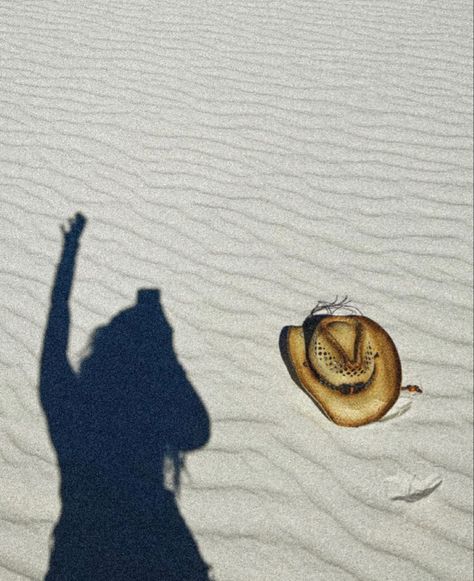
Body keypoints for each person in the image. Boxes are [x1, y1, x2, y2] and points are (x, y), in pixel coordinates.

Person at [40, 213, 211, 580]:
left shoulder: (69, 412)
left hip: (82, 558)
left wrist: (69, 252)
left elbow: (56, 330)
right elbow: (199, 431)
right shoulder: (151, 412)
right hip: (163, 554)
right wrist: (166, 355)